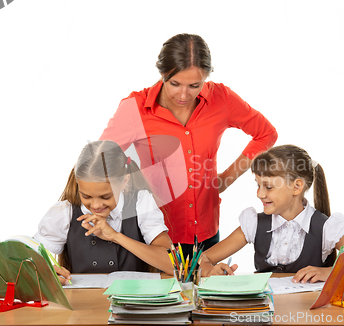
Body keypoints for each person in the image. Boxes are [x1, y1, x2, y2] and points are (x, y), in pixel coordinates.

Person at [99, 33, 278, 257]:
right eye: (174, 84)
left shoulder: (221, 98)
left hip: (205, 232)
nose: (183, 95)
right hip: (154, 235)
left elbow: (266, 134)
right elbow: (101, 160)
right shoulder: (135, 107)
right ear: (162, 74)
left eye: (194, 85)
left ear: (206, 76)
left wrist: (225, 179)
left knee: (206, 292)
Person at [199, 144, 344, 283]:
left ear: (296, 187)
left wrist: (330, 272)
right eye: (258, 185)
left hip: (307, 315)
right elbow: (203, 259)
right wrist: (208, 270)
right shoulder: (254, 223)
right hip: (264, 312)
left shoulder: (326, 227)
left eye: (268, 187)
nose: (260, 194)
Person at [34, 140, 174, 284]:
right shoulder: (65, 211)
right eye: (86, 196)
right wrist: (46, 272)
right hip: (82, 303)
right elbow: (27, 262)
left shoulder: (140, 203)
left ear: (124, 182)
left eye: (106, 196)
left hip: (134, 301)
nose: (95, 205)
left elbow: (173, 265)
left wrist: (115, 236)